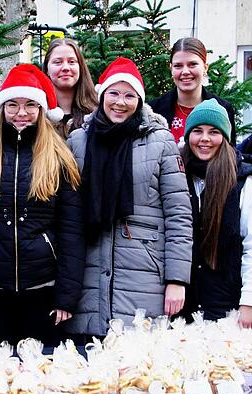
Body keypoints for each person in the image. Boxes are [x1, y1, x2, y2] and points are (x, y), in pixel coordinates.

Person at [0, 64, 84, 348]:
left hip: (42, 290)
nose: (21, 113)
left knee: (39, 378)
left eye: (30, 105)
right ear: (2, 108)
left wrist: (66, 297)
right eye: (13, 105)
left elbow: (71, 230)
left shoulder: (59, 156)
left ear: (42, 109)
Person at [65, 57, 193, 337]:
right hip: (88, 273)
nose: (120, 102)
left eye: (129, 95)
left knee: (139, 369)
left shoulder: (160, 141)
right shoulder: (78, 141)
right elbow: (67, 214)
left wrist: (176, 279)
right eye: (113, 93)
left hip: (144, 272)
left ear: (139, 100)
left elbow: (179, 215)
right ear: (101, 97)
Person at [180, 99, 252, 326]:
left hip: (226, 303)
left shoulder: (242, 183)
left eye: (214, 132)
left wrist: (249, 300)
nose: (205, 139)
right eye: (197, 131)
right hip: (180, 304)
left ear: (225, 138)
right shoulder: (176, 175)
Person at [149, 37, 236, 147]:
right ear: (171, 69)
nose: (185, 71)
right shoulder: (153, 110)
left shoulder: (223, 108)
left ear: (205, 68)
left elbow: (230, 154)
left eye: (192, 64)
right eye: (178, 66)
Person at [41, 37, 97, 138]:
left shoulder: (97, 113)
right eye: (58, 62)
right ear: (47, 69)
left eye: (72, 62)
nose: (66, 68)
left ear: (80, 67)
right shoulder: (38, 113)